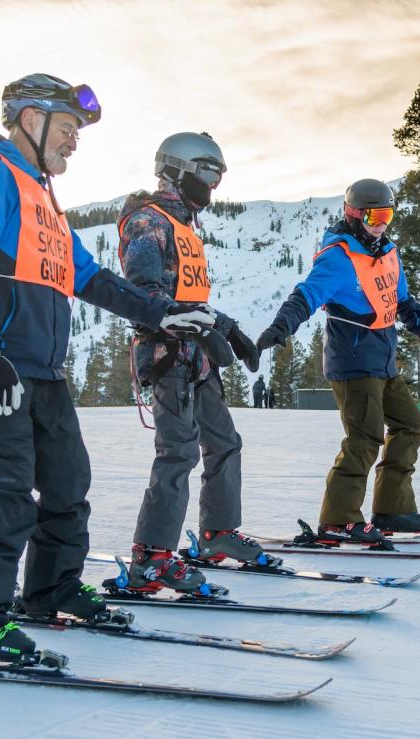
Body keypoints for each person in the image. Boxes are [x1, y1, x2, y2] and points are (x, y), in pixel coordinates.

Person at [0, 73, 218, 664]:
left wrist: (164, 315)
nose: (74, 141)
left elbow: (90, 278)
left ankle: (51, 589)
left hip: (42, 368)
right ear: (29, 120)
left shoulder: (42, 197)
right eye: (67, 128)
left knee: (67, 485)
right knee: (4, 493)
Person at [117, 131, 270, 594]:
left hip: (196, 357)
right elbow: (143, 293)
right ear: (178, 170)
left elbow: (187, 296)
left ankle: (218, 534)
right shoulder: (148, 222)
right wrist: (201, 324)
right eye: (208, 173)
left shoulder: (184, 225)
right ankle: (152, 557)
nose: (213, 185)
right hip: (167, 358)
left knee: (224, 442)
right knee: (178, 451)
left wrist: (228, 329)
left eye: (218, 175)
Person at [256, 178, 420, 544]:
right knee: (364, 438)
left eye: (388, 215)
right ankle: (338, 519)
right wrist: (281, 326)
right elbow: (306, 295)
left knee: (410, 425)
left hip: (383, 361)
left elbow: (401, 300)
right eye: (374, 216)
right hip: (353, 363)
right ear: (353, 214)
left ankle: (393, 509)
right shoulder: (339, 258)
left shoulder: (388, 252)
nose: (381, 224)